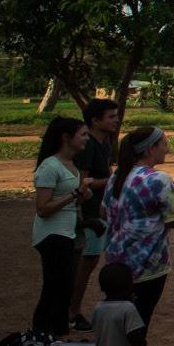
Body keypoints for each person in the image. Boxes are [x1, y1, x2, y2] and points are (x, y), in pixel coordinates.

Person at [104, 126, 174, 329]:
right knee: (139, 322)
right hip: (149, 263)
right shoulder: (158, 180)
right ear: (149, 149)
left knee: (119, 322)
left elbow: (103, 211)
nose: (167, 149)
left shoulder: (116, 177)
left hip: (116, 261)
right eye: (164, 144)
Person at [31, 116, 89, 337]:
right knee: (54, 289)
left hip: (67, 232)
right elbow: (43, 208)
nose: (86, 139)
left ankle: (55, 333)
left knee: (64, 288)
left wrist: (82, 196)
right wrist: (74, 194)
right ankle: (42, 334)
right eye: (82, 134)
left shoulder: (71, 165)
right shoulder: (50, 166)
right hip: (52, 235)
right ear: (66, 137)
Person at [68, 98, 120, 332]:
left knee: (89, 262)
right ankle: (72, 312)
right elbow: (83, 183)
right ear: (95, 120)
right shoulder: (88, 145)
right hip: (88, 214)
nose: (116, 120)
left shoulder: (104, 142)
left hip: (98, 210)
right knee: (85, 263)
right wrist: (111, 182)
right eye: (111, 117)